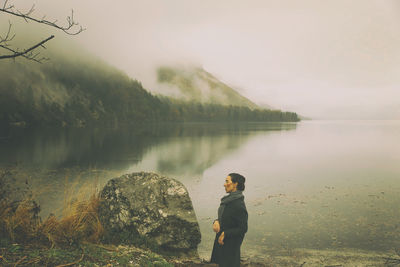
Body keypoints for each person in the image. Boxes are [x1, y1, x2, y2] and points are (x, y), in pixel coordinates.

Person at [210, 173, 248, 267]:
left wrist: (225, 233)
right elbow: (225, 217)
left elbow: (243, 228)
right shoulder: (228, 200)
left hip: (230, 246)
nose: (224, 184)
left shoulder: (238, 205)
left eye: (227, 181)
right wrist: (216, 221)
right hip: (223, 243)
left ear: (235, 184)